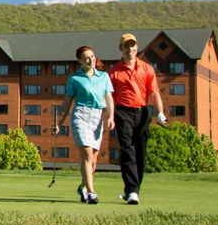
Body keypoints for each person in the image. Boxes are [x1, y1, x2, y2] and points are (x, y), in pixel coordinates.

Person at [108, 33, 167, 205]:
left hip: (142, 112)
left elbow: (154, 92)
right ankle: (133, 190)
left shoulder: (147, 68)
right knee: (127, 150)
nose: (130, 49)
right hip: (123, 112)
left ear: (137, 48)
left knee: (140, 153)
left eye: (132, 46)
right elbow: (110, 97)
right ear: (121, 49)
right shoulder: (114, 72)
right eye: (126, 46)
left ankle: (131, 190)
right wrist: (110, 116)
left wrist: (160, 112)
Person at [55, 45, 114, 204]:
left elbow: (108, 98)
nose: (91, 60)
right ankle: (92, 192)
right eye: (87, 58)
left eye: (92, 56)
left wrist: (110, 117)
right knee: (87, 155)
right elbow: (67, 102)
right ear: (80, 61)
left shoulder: (103, 76)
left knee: (93, 162)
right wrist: (59, 123)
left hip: (97, 116)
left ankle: (82, 187)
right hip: (80, 115)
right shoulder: (75, 79)